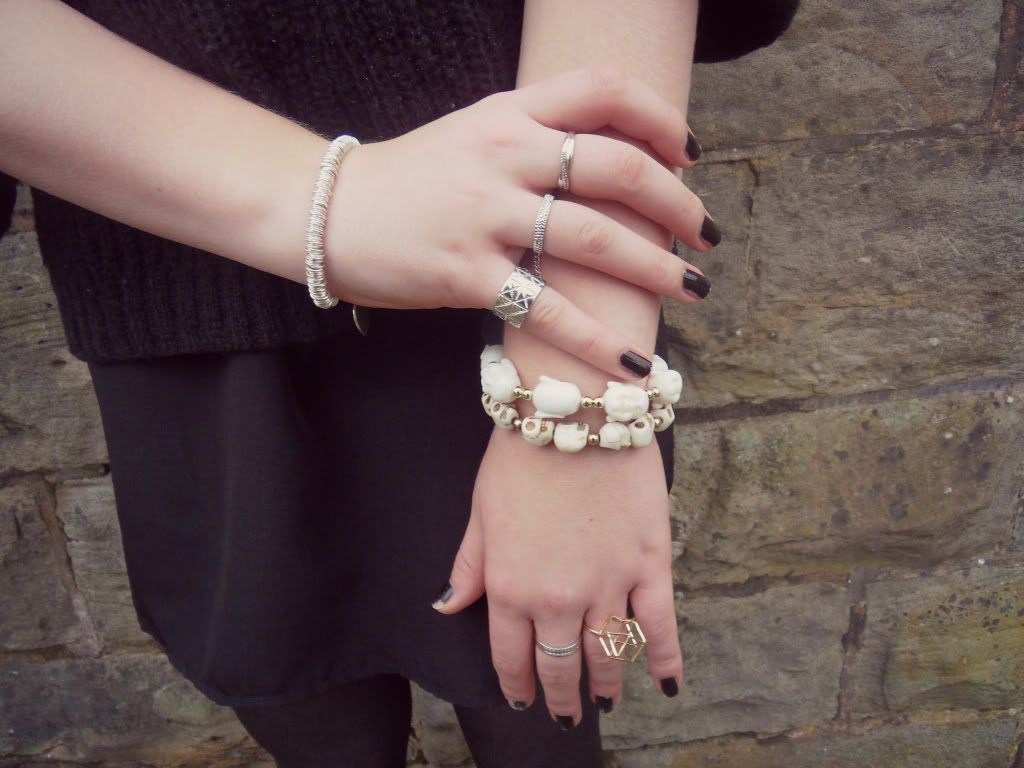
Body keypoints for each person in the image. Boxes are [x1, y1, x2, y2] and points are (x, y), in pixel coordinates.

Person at [0, 1, 800, 766]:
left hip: (524, 269)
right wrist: (333, 202)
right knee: (308, 712)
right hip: (178, 265)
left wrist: (580, 416)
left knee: (547, 700)